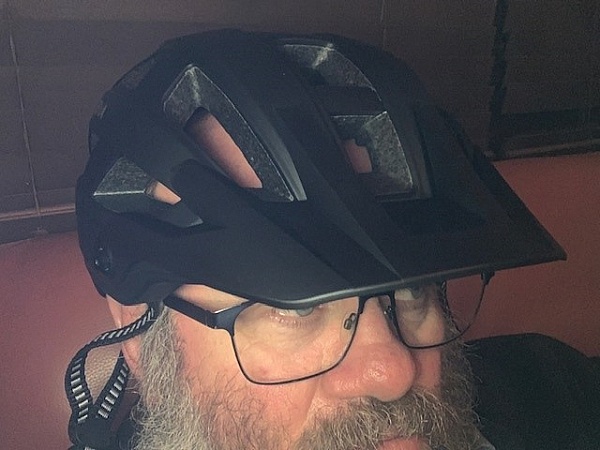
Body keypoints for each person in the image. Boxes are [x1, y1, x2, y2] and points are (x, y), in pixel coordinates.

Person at [65, 30, 568, 450]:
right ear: (139, 338)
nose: (394, 372)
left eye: (413, 292)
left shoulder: (556, 393)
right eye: (296, 309)